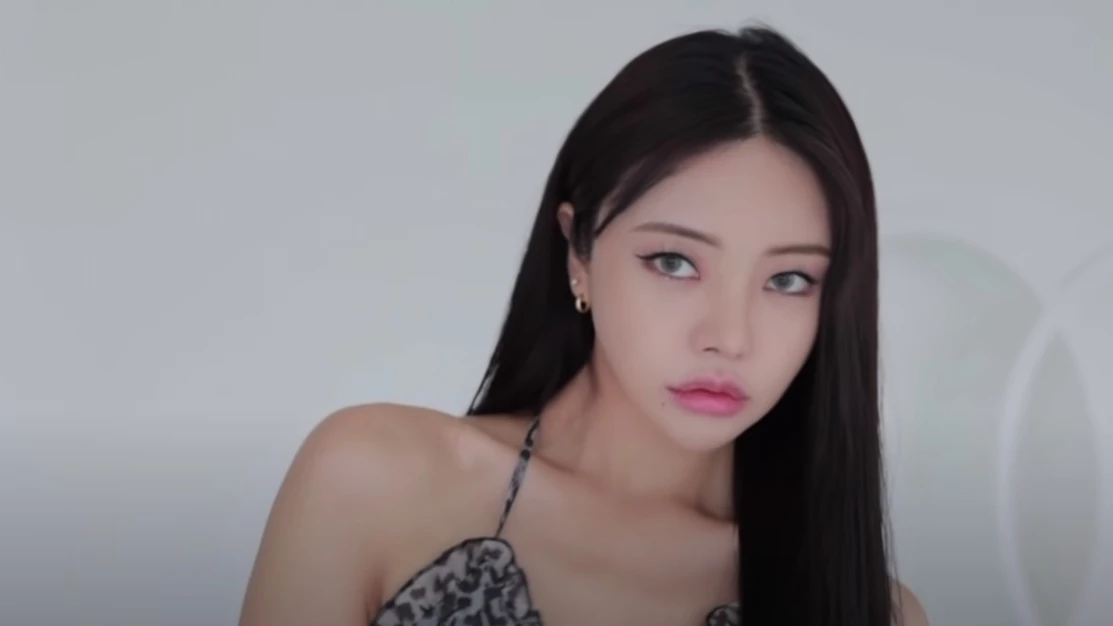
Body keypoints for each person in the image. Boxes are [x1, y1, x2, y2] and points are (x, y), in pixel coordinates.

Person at [238, 24, 928, 626]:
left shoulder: (867, 610)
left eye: (788, 279)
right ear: (579, 253)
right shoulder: (374, 482)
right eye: (674, 262)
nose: (729, 336)